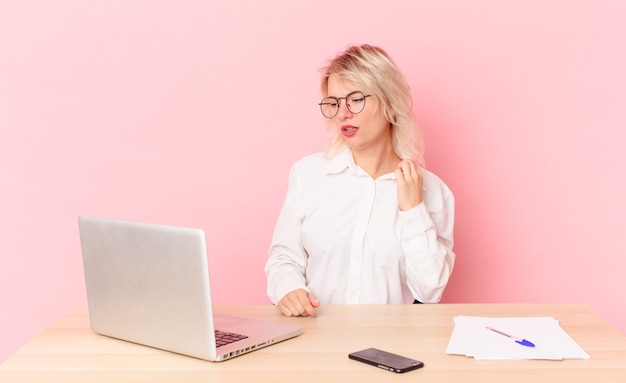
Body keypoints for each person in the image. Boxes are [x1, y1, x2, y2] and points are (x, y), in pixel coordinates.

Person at [265, 44, 455, 317]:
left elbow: (430, 290)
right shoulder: (308, 174)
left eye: (355, 100)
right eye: (334, 103)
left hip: (389, 348)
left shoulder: (433, 192)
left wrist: (413, 210)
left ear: (389, 103)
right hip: (315, 341)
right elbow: (284, 258)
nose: (342, 113)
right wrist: (289, 290)